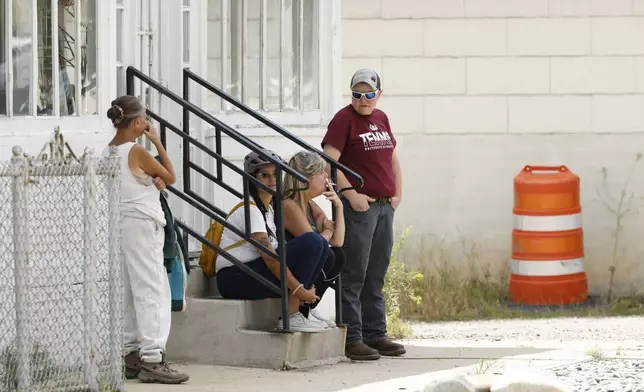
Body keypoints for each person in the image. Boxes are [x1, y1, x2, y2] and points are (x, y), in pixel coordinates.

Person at [103, 95, 189, 384]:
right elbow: (172, 176)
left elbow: (146, 180)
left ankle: (130, 353)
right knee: (153, 289)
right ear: (138, 122)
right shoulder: (137, 150)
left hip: (120, 224)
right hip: (142, 225)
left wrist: (154, 180)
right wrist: (157, 141)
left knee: (130, 288)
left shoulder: (109, 150)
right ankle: (152, 357)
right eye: (144, 120)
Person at [321, 68, 405, 361]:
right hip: (361, 207)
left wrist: (397, 194)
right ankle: (352, 337)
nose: (363, 99)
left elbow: (392, 157)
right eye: (357, 94)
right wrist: (350, 195)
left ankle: (375, 333)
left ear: (378, 94)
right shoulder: (344, 119)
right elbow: (328, 162)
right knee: (354, 271)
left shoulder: (381, 119)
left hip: (384, 206)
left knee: (376, 271)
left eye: (369, 94)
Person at [214, 149, 331, 333]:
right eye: (264, 175)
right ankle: (291, 315)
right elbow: (271, 260)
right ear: (252, 179)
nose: (272, 179)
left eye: (276, 173)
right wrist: (299, 290)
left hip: (248, 272)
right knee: (313, 243)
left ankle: (301, 312)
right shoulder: (250, 209)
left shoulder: (268, 209)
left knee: (321, 245)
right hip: (233, 278)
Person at [283, 150, 346, 328]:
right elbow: (314, 243)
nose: (327, 176)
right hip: (285, 270)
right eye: (321, 172)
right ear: (306, 179)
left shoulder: (309, 204)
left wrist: (339, 206)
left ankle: (308, 307)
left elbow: (337, 241)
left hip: (299, 267)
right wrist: (326, 232)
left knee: (338, 255)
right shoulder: (288, 204)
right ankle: (297, 311)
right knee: (327, 253)